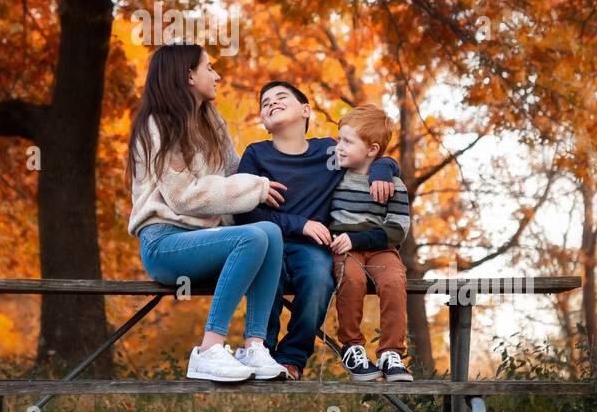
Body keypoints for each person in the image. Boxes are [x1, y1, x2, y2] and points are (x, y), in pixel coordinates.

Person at [125, 43, 290, 382]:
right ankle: (208, 350)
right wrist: (255, 187)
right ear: (189, 75)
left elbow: (232, 174)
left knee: (270, 233)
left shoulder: (212, 122)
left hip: (208, 241)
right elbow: (185, 197)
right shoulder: (158, 125)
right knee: (252, 237)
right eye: (209, 68)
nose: (217, 75)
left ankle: (255, 346)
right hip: (165, 244)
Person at [234, 82, 399, 380]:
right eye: (265, 102)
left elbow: (367, 152)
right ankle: (260, 352)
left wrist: (383, 168)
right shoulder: (256, 154)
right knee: (265, 278)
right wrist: (302, 224)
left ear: (306, 110)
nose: (271, 103)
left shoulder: (328, 152)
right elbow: (243, 211)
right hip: (262, 242)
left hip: (310, 249)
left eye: (281, 97)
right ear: (263, 121)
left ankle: (291, 358)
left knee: (318, 278)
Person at [327, 104, 414, 381]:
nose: (339, 147)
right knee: (351, 279)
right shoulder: (334, 176)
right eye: (339, 139)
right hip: (343, 248)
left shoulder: (393, 185)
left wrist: (386, 168)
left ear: (372, 149)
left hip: (380, 248)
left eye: (347, 142)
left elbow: (397, 230)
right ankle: (352, 347)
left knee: (393, 281)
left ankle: (392, 353)